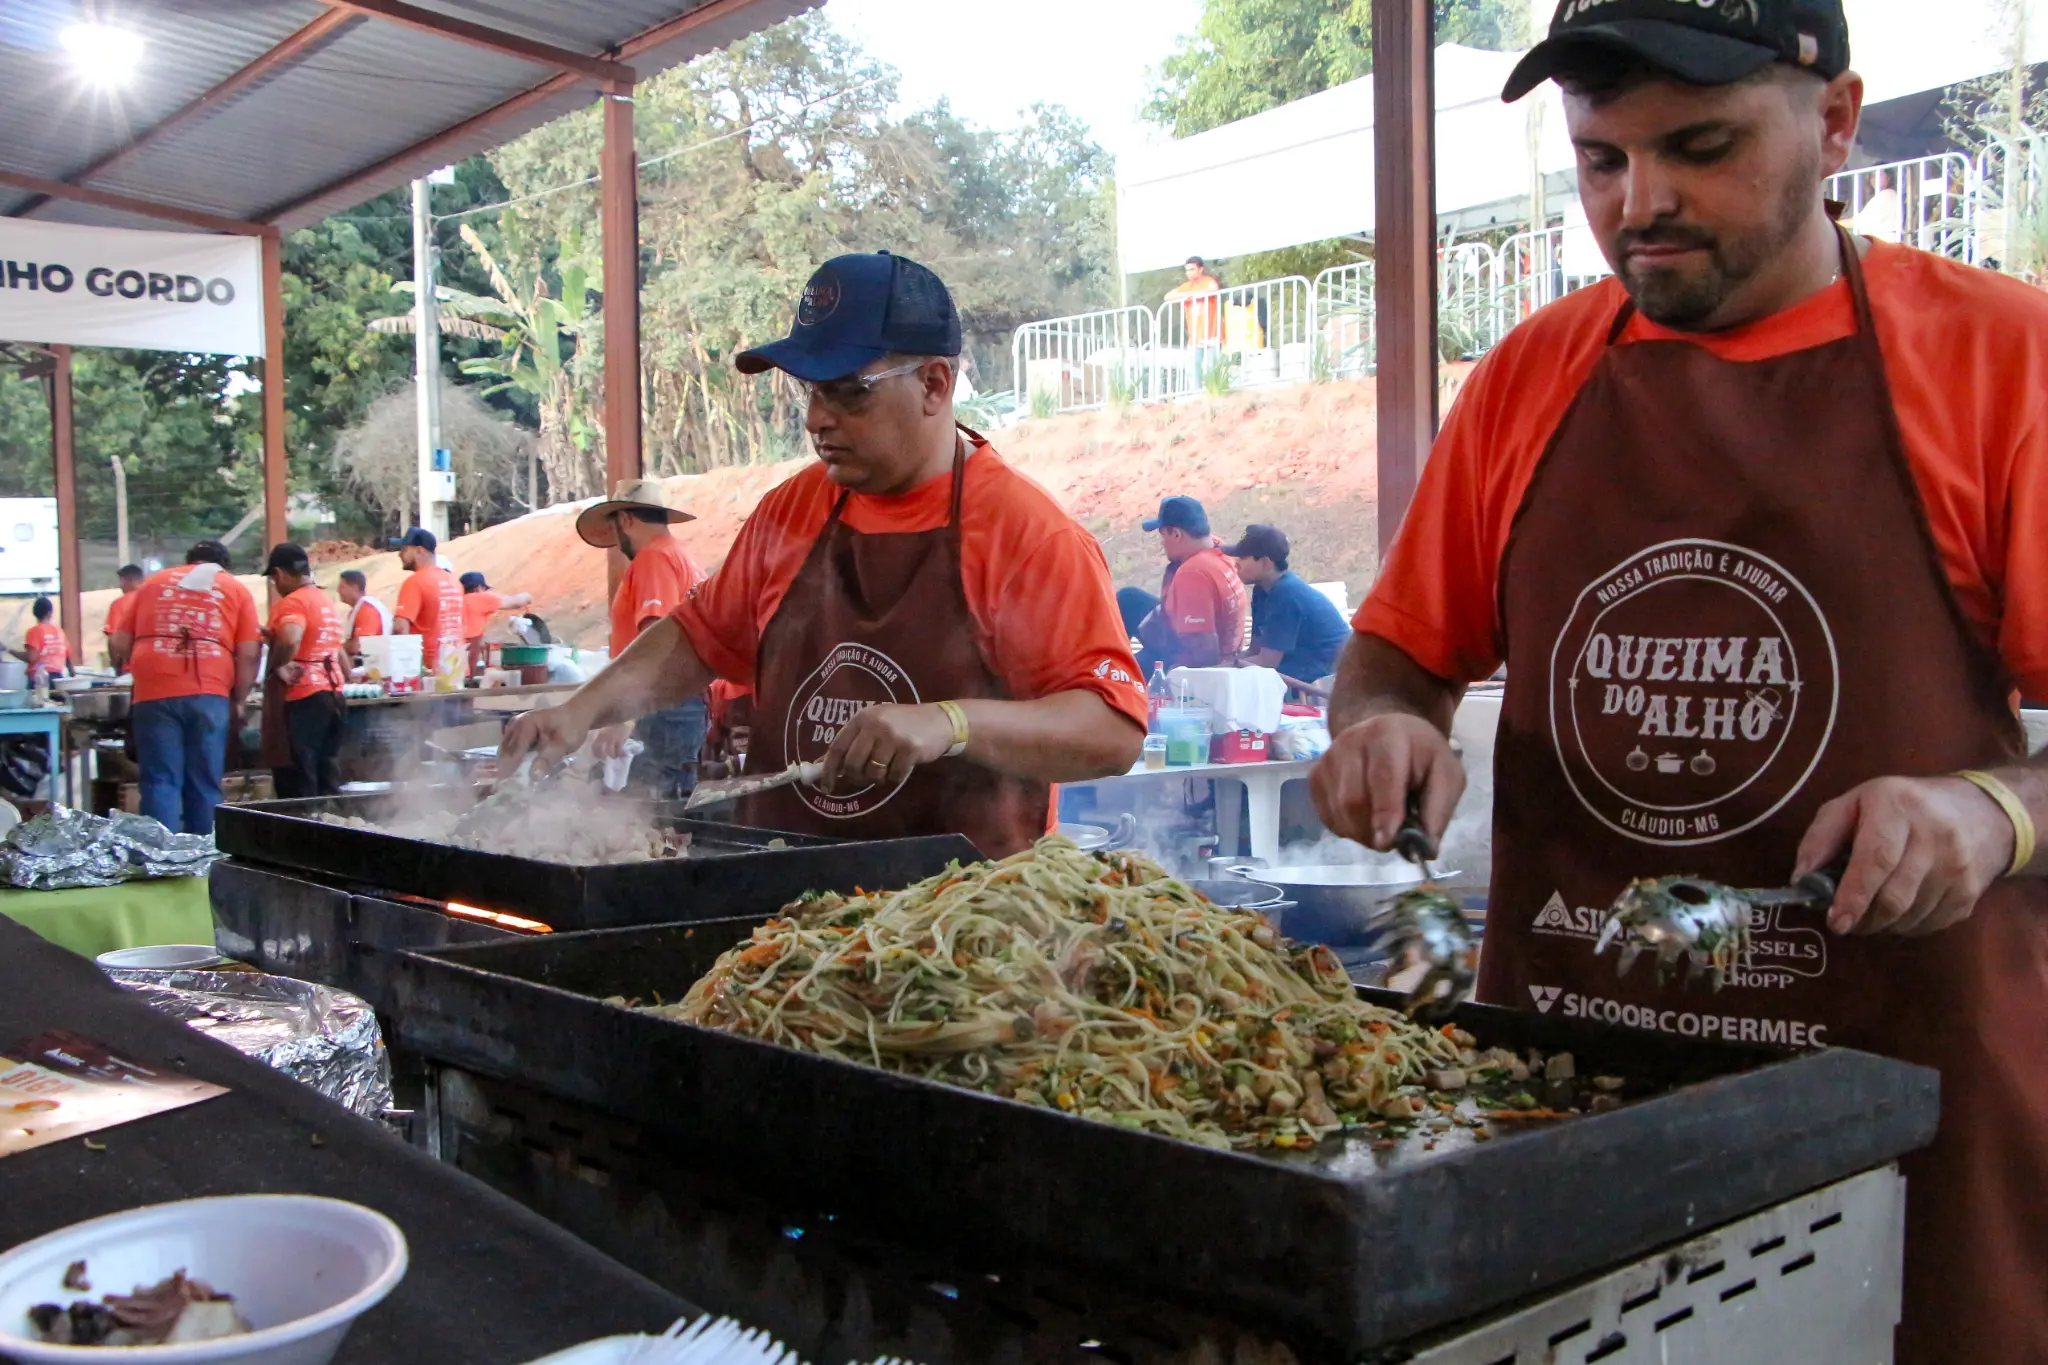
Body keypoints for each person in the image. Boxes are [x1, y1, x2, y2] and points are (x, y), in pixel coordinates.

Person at [1310, 0, 2048, 1355]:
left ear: (1833, 123)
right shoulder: (1536, 372)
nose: (1639, 204)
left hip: (1903, 1109)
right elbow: (1400, 654)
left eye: (1697, 147)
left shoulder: (2002, 358)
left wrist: (1992, 814)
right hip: (1573, 1105)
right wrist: (1382, 727)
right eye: (1601, 161)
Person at [505, 251, 1146, 856]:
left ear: (933, 383)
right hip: (780, 902)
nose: (817, 419)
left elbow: (1110, 733)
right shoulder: (794, 509)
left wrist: (949, 724)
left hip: (956, 923)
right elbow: (699, 638)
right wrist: (578, 712)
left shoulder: (1027, 535)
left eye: (847, 391)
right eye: (808, 391)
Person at [109, 540, 260, 835]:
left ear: (187, 562)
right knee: (204, 781)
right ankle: (201, 860)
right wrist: (239, 699)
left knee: (160, 780)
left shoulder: (154, 583)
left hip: (154, 692)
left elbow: (119, 643)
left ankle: (160, 860)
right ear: (223, 566)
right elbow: (250, 653)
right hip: (209, 690)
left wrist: (153, 661)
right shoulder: (235, 589)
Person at [576, 478, 710, 799]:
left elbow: (656, 643)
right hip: (684, 702)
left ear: (625, 519)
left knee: (647, 812)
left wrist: (628, 715)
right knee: (671, 808)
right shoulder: (681, 558)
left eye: (615, 527)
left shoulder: (654, 559)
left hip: (663, 707)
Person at [259, 543, 347, 800]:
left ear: (279, 573)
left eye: (274, 578)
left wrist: (277, 667)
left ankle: (304, 832)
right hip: (334, 695)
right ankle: (335, 828)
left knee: (300, 776)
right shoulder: (324, 600)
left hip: (305, 697)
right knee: (326, 772)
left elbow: (290, 638)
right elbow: (336, 651)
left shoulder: (293, 602)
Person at [1225, 524, 1348, 684]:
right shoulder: (1262, 590)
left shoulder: (1286, 593)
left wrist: (1224, 670)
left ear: (1265, 562)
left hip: (1324, 676)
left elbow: (1267, 663)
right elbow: (1255, 650)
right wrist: (1217, 667)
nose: (1236, 563)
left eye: (1242, 557)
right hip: (1296, 667)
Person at [1135, 496, 1247, 670]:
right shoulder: (1217, 550)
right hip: (1227, 652)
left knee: (1119, 670)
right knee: (1129, 598)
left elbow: (1204, 650)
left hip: (1187, 666)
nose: (1162, 543)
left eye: (1163, 535)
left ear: (1177, 534)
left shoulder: (1193, 574)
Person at [391, 528, 465, 685]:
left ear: (419, 551)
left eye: (404, 549)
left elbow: (400, 629)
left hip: (428, 675)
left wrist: (400, 673)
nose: (399, 555)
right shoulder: (453, 581)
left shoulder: (415, 582)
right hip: (456, 669)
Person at [458, 571, 533, 673]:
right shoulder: (479, 598)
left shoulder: (458, 600)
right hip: (468, 663)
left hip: (454, 661)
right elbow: (516, 602)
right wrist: (528, 596)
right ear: (479, 587)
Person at [1164, 256, 1224, 346]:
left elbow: (1213, 289)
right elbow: (1167, 297)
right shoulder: (1186, 286)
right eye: (1187, 270)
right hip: (1195, 339)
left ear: (1200, 269)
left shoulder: (1208, 281)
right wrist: (1185, 295)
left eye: (1192, 270)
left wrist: (1189, 295)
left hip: (1213, 337)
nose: (1188, 273)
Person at [336, 569, 389, 657]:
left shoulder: (366, 609)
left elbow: (359, 646)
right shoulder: (358, 609)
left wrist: (339, 648)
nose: (338, 591)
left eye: (342, 587)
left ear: (354, 588)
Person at [17, 597, 70, 680]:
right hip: (58, 679)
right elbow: (67, 658)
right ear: (50, 613)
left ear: (34, 613)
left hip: (39, 678)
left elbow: (32, 658)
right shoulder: (60, 632)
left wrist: (9, 650)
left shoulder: (34, 631)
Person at [104, 564, 145, 671]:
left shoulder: (120, 603)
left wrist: (116, 665)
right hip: (153, 664)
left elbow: (114, 638)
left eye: (122, 581)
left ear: (129, 580)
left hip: (130, 667)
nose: (120, 585)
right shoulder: (155, 600)